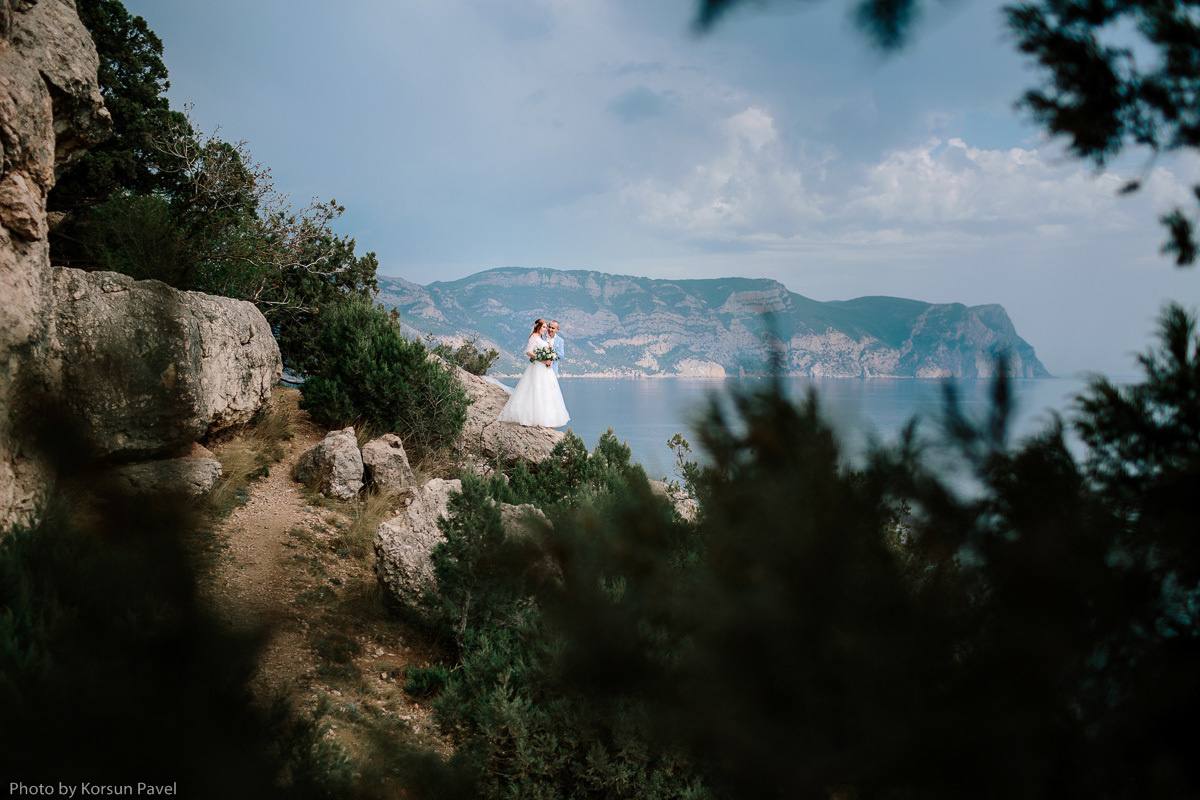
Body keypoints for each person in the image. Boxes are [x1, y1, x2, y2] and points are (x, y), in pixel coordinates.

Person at [496, 318, 570, 428]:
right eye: (547, 327)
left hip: (550, 370)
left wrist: (551, 353)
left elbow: (561, 355)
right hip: (538, 367)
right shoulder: (540, 336)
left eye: (551, 328)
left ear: (557, 330)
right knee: (535, 390)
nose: (548, 329)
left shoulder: (560, 341)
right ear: (540, 327)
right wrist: (543, 358)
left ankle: (546, 418)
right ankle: (533, 417)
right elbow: (531, 350)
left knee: (548, 394)